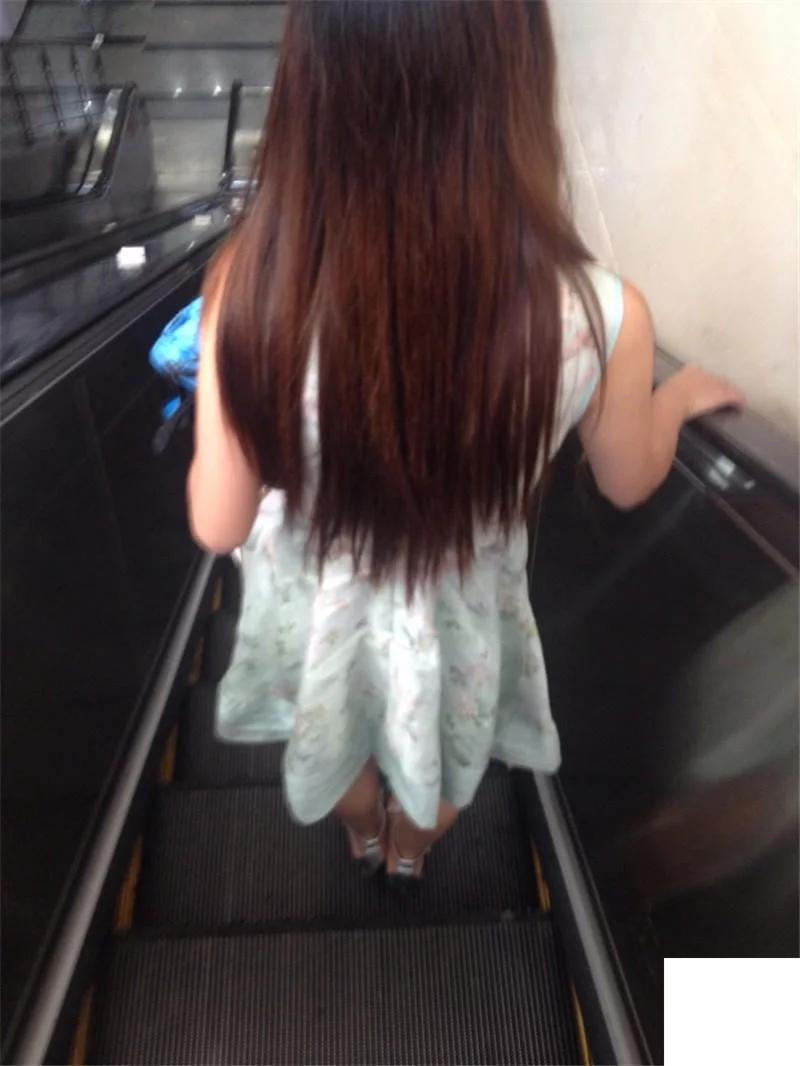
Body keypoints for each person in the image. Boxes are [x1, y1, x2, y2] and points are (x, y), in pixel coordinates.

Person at [187, 0, 744, 886]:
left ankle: (362, 838)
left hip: (314, 610)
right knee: (447, 754)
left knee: (335, 742)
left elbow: (219, 523)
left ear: (312, 90)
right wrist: (671, 400)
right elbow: (629, 479)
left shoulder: (251, 289)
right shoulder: (602, 312)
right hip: (460, 616)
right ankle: (410, 853)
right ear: (518, 84)